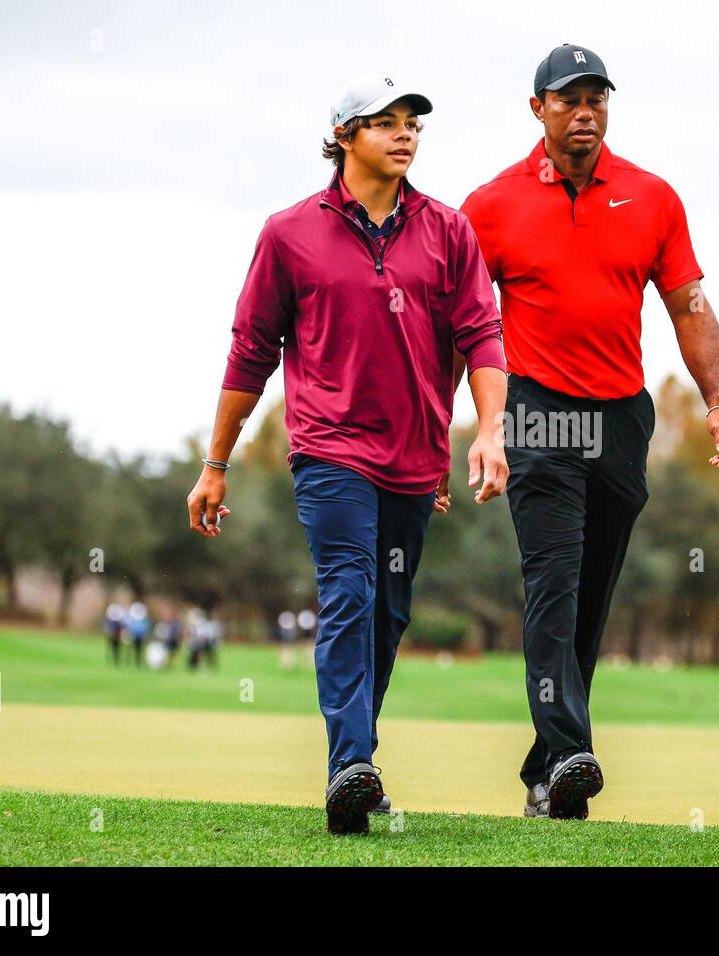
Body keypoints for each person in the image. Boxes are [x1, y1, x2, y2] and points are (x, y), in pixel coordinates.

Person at [187, 73, 508, 835]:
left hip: (416, 459)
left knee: (388, 613)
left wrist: (489, 430)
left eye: (413, 123)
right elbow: (250, 353)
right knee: (349, 591)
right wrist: (216, 461)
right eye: (385, 122)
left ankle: (354, 766)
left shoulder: (450, 231)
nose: (405, 134)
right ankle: (352, 766)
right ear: (342, 135)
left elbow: (482, 337)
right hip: (330, 452)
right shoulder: (288, 233)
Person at [461, 44, 719, 820]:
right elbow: (459, 324)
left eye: (596, 99)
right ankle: (573, 750)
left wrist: (716, 401)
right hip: (539, 411)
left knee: (591, 599)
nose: (585, 112)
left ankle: (547, 765)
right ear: (538, 110)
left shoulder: (652, 197)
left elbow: (687, 306)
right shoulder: (490, 205)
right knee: (553, 587)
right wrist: (453, 428)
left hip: (622, 418)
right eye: (568, 100)